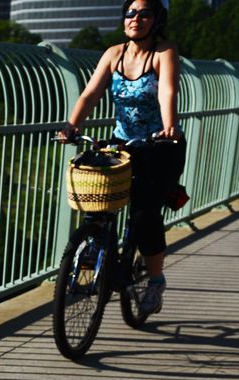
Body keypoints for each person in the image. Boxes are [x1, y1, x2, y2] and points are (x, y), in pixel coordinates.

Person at [58, 0, 184, 314]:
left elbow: (167, 90)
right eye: (130, 12)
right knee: (98, 204)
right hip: (122, 143)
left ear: (157, 20)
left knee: (144, 216)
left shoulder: (163, 52)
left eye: (144, 13)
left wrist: (169, 126)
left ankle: (155, 281)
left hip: (159, 144)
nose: (135, 19)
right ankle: (94, 257)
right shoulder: (114, 54)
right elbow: (91, 93)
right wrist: (72, 126)